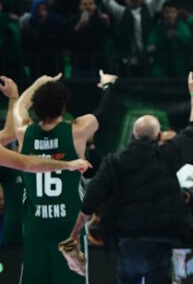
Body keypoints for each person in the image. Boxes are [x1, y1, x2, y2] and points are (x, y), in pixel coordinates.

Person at [66, 73, 193, 284]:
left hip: (126, 243)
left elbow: (91, 197)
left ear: (132, 135)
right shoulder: (167, 155)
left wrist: (74, 234)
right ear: (159, 137)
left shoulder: (114, 161)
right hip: (159, 244)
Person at [4, 72, 112, 283]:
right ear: (64, 106)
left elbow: (18, 107)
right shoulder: (77, 131)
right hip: (68, 229)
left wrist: (40, 82)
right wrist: (107, 85)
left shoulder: (24, 132)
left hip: (36, 228)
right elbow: (104, 112)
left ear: (36, 107)